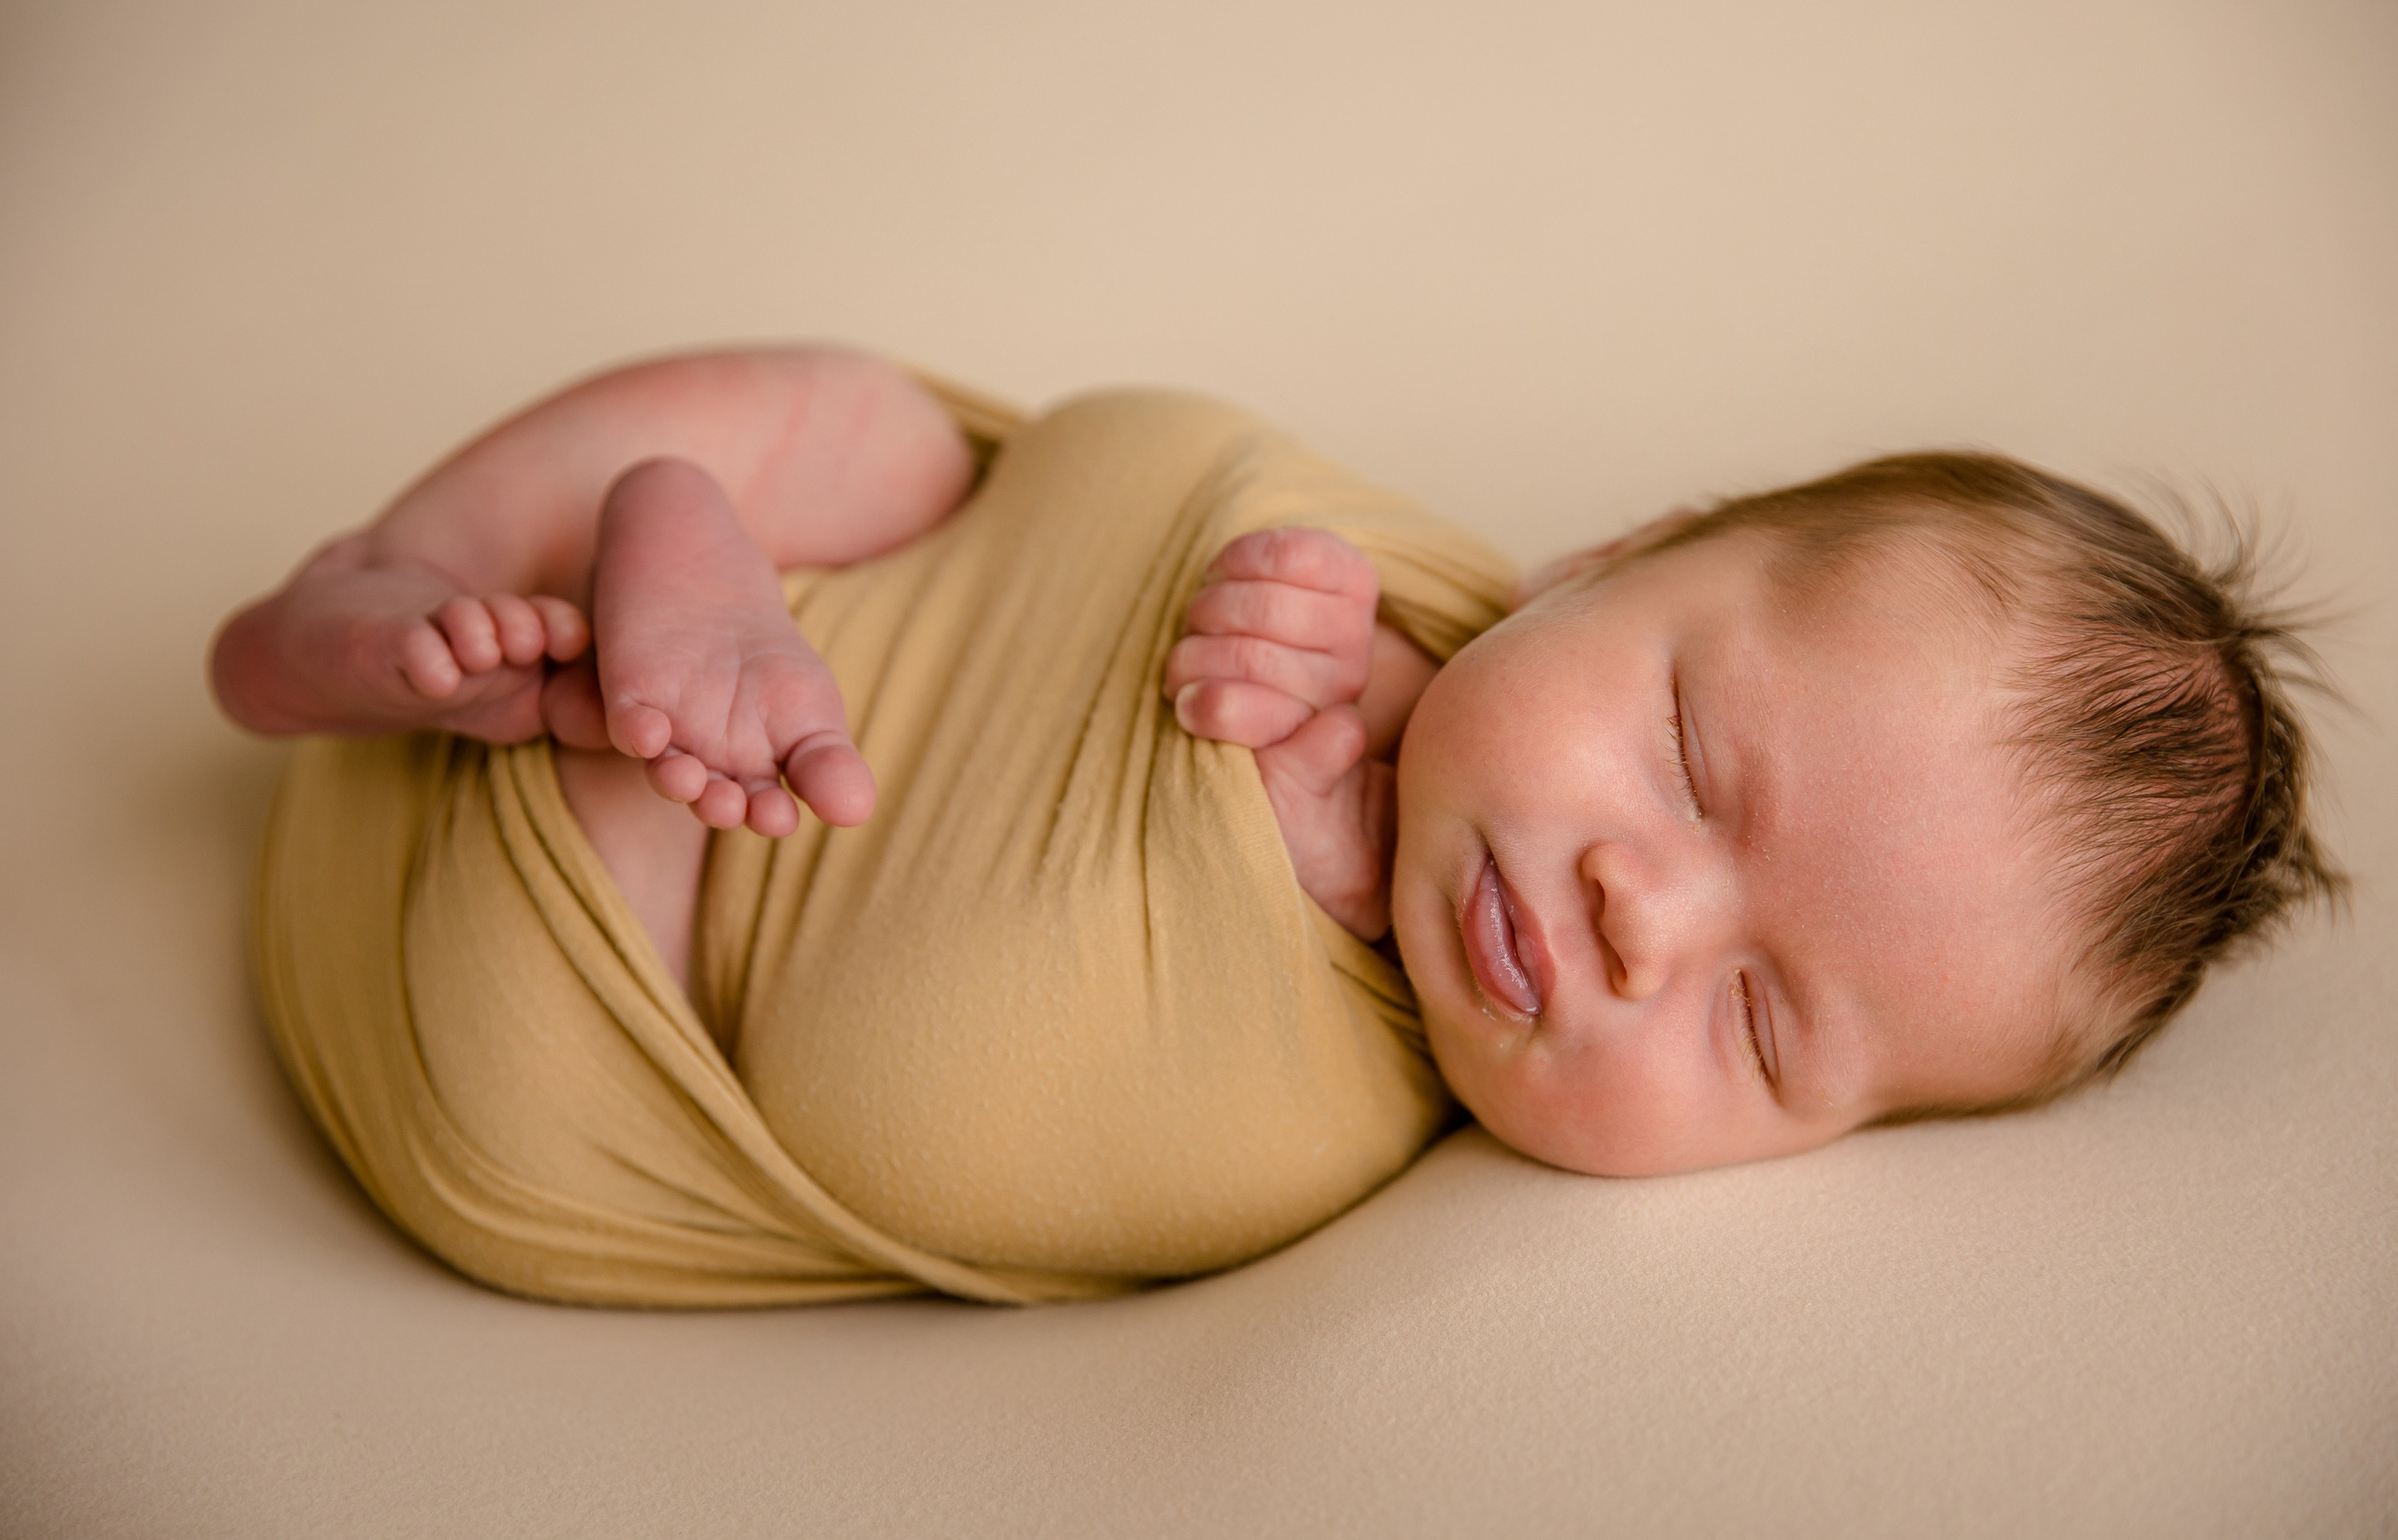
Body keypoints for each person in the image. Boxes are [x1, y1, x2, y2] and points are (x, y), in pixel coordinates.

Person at [210, 345, 2341, 1305]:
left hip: (549, 1021)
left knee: (885, 1009)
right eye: (1690, 765)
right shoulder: (1385, 568)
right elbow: (1107, 479)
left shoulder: (1284, 1133)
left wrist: (1287, 857)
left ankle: (607, 649)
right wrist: (1274, 630)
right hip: (758, 636)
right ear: (1624, 545)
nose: (1631, 918)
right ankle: (392, 585)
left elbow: (934, 1105)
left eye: (1764, 1028)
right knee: (862, 422)